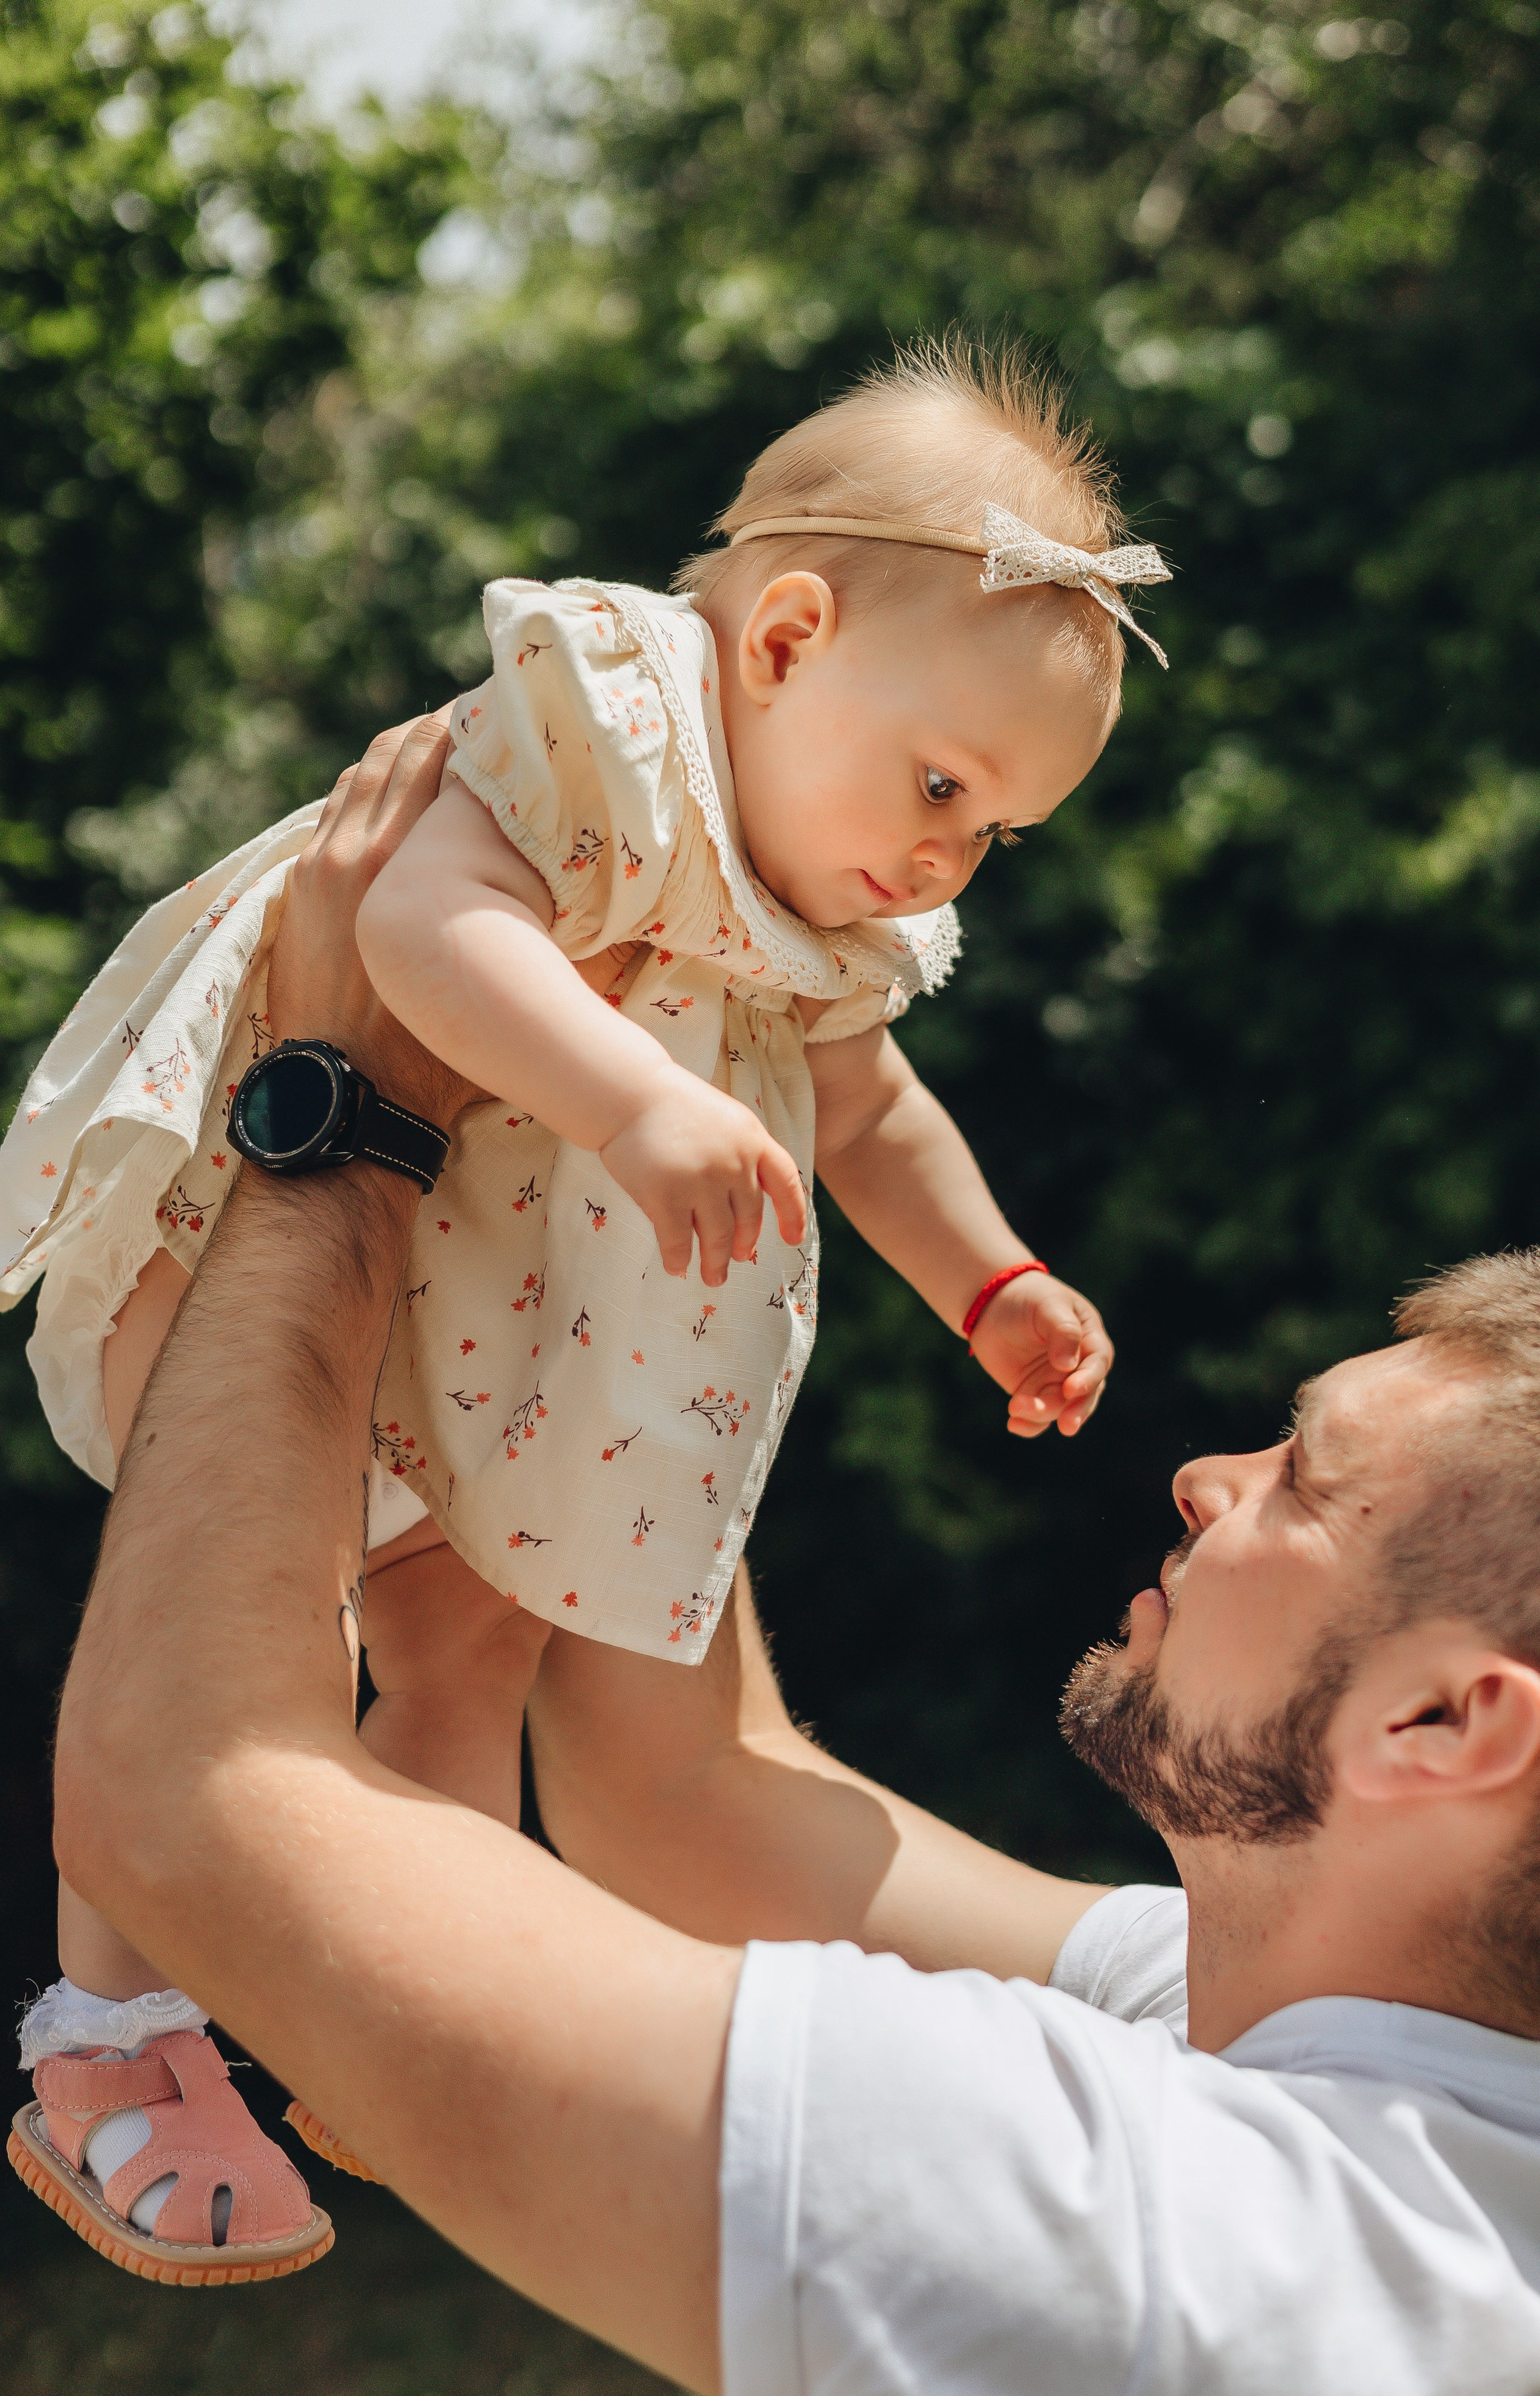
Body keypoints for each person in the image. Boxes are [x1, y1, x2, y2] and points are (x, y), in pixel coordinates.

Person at [19, 717, 1540, 2396]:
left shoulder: (1132, 2247)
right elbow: (699, 1801)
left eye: (1307, 1483)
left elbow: (181, 1803)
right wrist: (637, 1074)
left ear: (1450, 1724)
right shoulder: (1535, 2154)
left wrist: (337, 1102)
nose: (1211, 1478)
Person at [1, 339, 1167, 2262]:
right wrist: (638, 1098)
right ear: (785, 636)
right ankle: (112, 2042)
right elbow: (417, 928)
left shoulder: (828, 901)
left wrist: (997, 1280)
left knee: (472, 1647)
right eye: (945, 780)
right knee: (240, 1626)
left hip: (482, 1321)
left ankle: (396, 1998)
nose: (952, 851)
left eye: (998, 832)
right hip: (272, 1232)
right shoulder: (607, 725)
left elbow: (877, 1111)